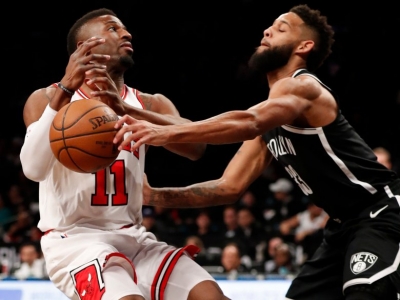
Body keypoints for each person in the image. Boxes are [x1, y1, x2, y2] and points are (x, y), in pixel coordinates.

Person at [116, 4, 400, 299]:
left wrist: (164, 133)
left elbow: (249, 121)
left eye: (281, 28)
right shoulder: (272, 118)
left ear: (304, 46)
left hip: (381, 211)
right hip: (343, 227)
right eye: (270, 26)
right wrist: (153, 195)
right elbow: (228, 187)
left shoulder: (304, 88)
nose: (267, 31)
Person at [19, 8, 229, 300]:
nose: (126, 34)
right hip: (75, 240)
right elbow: (33, 169)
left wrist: (128, 111)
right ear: (84, 47)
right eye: (112, 29)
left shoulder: (149, 103)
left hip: (134, 236)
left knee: (211, 296)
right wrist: (66, 88)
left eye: (125, 29)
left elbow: (196, 147)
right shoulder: (47, 98)